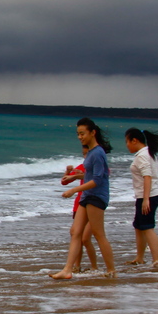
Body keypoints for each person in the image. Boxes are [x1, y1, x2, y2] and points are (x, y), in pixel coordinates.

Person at [50, 118, 115, 279]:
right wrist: (73, 177)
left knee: (99, 234)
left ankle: (111, 271)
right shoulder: (91, 153)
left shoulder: (98, 153)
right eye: (78, 134)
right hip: (86, 196)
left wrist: (74, 189)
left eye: (82, 133)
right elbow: (89, 175)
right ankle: (67, 270)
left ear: (93, 133)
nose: (80, 137)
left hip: (97, 196)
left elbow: (98, 180)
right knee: (75, 232)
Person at [124, 128, 158, 268]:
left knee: (147, 227)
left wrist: (145, 199)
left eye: (127, 142)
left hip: (149, 195)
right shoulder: (148, 153)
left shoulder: (142, 155)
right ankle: (140, 258)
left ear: (134, 140)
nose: (127, 145)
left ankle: (157, 260)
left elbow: (147, 177)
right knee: (139, 226)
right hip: (149, 195)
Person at [61, 153, 98, 273]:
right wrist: (68, 172)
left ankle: (94, 267)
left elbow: (96, 178)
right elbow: (64, 182)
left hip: (93, 204)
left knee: (85, 239)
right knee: (77, 236)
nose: (87, 157)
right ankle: (76, 266)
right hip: (79, 205)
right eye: (85, 154)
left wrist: (78, 176)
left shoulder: (98, 165)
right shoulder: (83, 166)